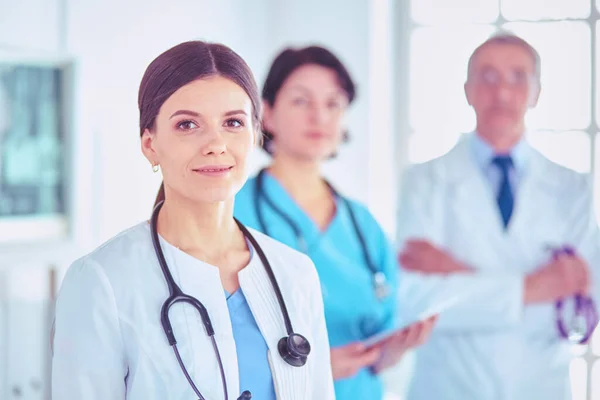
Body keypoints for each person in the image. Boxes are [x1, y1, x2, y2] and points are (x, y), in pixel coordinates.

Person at [51, 40, 335, 400]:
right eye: (187, 125)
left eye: (233, 122)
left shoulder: (295, 273)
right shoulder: (101, 282)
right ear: (150, 143)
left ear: (255, 136)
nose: (216, 143)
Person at [396, 32, 600, 400]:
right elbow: (415, 300)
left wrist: (457, 274)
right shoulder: (424, 181)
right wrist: (535, 287)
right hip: (447, 387)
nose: (502, 92)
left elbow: (577, 312)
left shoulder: (573, 189)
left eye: (518, 77)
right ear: (467, 90)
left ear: (537, 92)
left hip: (542, 388)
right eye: (487, 77)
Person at [233, 45, 436, 400]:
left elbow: (386, 321)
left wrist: (391, 352)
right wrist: (313, 365)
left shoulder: (363, 225)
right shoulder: (235, 212)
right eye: (301, 101)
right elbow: (209, 341)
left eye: (333, 104)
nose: (320, 116)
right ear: (266, 114)